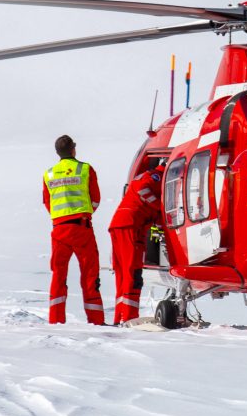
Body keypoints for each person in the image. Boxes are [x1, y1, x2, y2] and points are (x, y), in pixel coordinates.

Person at [42, 134, 105, 325]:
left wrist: (63, 216)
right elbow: (95, 199)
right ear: (73, 150)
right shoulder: (85, 169)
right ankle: (95, 321)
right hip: (82, 228)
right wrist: (83, 213)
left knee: (58, 275)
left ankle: (55, 320)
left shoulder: (49, 174)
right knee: (89, 274)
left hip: (59, 229)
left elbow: (48, 203)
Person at [109, 160, 165, 325]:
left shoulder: (149, 175)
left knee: (122, 274)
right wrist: (158, 207)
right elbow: (143, 189)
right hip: (130, 225)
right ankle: (129, 318)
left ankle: (119, 316)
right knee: (133, 274)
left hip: (119, 224)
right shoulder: (157, 176)